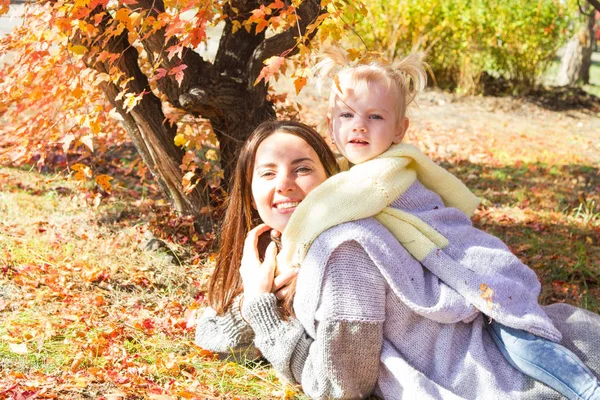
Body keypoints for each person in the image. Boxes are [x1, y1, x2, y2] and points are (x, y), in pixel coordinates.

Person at [195, 119, 600, 399]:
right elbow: (215, 335)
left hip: (492, 376)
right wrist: (257, 292)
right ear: (249, 191)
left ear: (330, 180)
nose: (284, 183)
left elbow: (339, 387)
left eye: (301, 169)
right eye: (267, 173)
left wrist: (261, 308)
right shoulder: (285, 251)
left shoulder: (343, 250)